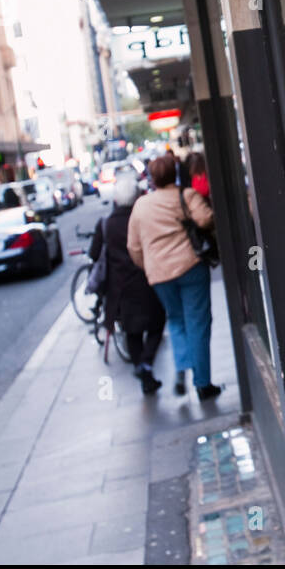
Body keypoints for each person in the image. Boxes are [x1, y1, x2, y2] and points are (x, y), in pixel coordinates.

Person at [127, 154, 220, 399]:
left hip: (159, 274)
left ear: (152, 179)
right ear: (175, 173)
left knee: (176, 320)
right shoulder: (185, 195)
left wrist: (148, 266)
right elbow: (206, 219)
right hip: (190, 266)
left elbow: (133, 247)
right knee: (198, 323)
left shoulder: (141, 205)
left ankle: (181, 368)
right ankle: (203, 384)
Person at [89, 174, 166, 394]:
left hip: (119, 288)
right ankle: (146, 365)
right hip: (145, 280)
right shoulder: (142, 218)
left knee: (132, 333)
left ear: (115, 199)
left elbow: (94, 255)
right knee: (157, 324)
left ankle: (144, 373)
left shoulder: (105, 224)